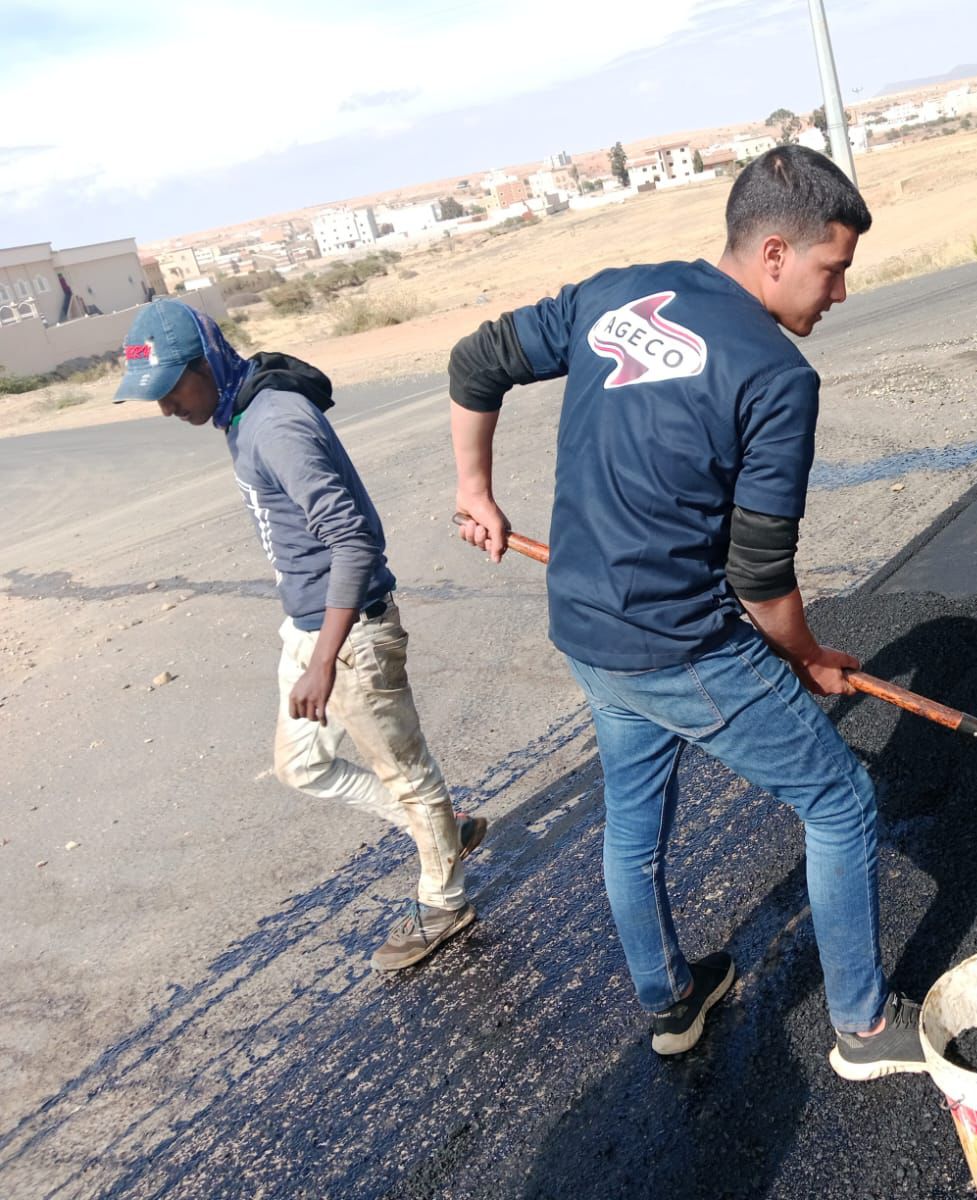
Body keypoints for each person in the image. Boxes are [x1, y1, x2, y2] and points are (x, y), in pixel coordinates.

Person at [449, 146, 925, 1078]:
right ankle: (865, 1029)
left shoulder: (613, 294)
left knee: (633, 823)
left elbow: (477, 361)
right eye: (833, 270)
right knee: (839, 802)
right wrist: (808, 658)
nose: (839, 293)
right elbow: (760, 579)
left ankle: (671, 1002)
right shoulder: (776, 376)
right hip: (680, 646)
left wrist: (475, 491)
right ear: (776, 253)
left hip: (585, 627)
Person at [114, 299, 487, 971]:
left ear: (205, 364)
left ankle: (444, 900)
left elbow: (354, 539)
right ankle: (443, 834)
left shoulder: (275, 423)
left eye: (171, 390)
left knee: (408, 775)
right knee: (303, 766)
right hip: (310, 625)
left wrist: (324, 660)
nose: (167, 408)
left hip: (350, 633)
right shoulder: (240, 413)